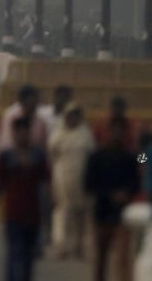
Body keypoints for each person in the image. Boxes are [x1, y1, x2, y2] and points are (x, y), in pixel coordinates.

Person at [0, 114, 51, 281]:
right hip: (13, 214)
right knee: (14, 255)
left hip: (33, 215)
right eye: (19, 132)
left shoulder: (39, 157)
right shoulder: (5, 157)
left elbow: (45, 186)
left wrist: (47, 217)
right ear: (14, 133)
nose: (23, 135)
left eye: (26, 131)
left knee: (29, 258)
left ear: (29, 133)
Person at [85, 114, 145, 281]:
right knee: (100, 261)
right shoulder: (96, 156)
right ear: (108, 132)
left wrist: (126, 194)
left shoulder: (132, 156)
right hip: (101, 215)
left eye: (121, 131)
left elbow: (138, 179)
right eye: (114, 131)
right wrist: (110, 194)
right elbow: (89, 185)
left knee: (122, 260)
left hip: (123, 217)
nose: (117, 134)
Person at [50, 103, 96, 260]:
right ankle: (61, 246)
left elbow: (92, 157)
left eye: (76, 116)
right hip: (62, 179)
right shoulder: (58, 135)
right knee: (64, 212)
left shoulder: (86, 135)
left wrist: (142, 161)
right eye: (70, 116)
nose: (73, 119)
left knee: (82, 215)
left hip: (84, 181)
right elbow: (52, 155)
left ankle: (79, 247)